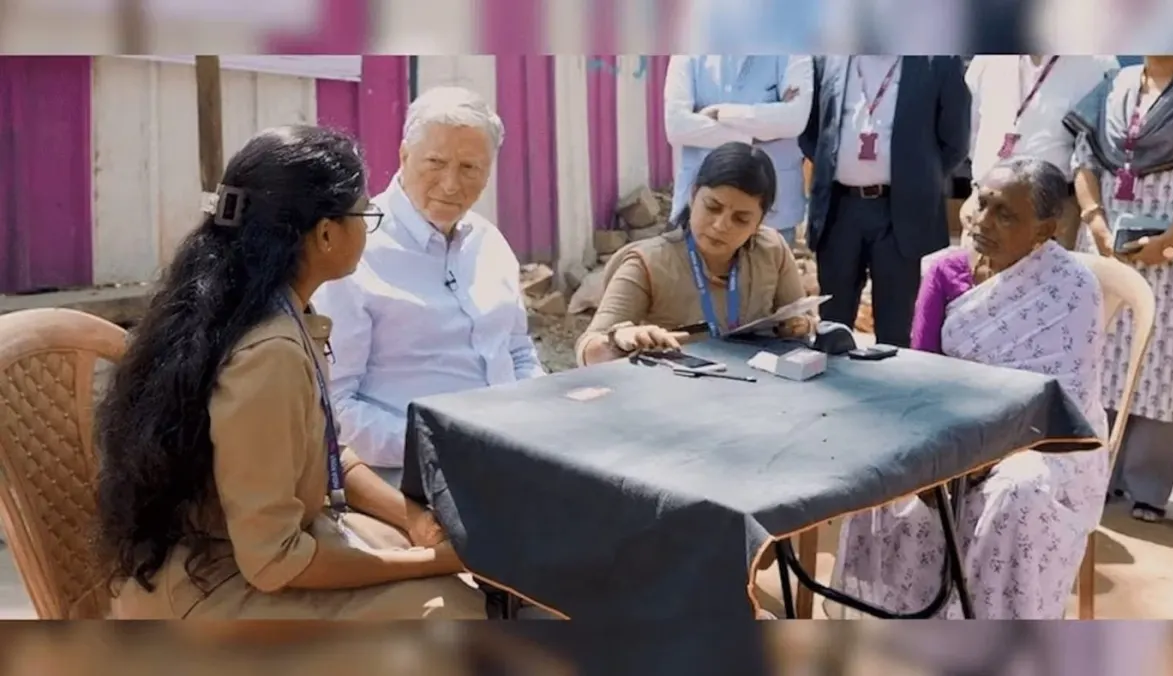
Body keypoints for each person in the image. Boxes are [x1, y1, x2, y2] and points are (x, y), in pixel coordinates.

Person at [94, 125, 486, 619]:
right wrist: (432, 562)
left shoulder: (269, 309)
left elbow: (324, 450)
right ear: (326, 234)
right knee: (455, 609)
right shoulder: (269, 355)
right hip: (213, 589)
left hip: (255, 556)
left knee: (442, 579)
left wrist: (415, 520)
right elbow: (273, 560)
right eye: (364, 214)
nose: (368, 229)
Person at [831, 158, 1109, 619]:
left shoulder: (1073, 287)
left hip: (1043, 441)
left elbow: (1067, 405)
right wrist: (950, 452)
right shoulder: (945, 271)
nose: (982, 221)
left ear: (1045, 231)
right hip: (952, 429)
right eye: (982, 203)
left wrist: (987, 456)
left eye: (1005, 215)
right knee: (880, 465)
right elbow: (922, 373)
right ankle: (894, 621)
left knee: (1017, 494)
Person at [311, 87, 543, 489]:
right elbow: (333, 405)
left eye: (469, 168)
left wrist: (542, 414)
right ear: (404, 156)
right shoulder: (355, 249)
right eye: (435, 163)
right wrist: (442, 446)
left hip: (509, 456)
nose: (451, 185)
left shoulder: (488, 241)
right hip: (409, 475)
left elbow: (519, 351)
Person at [1065, 55, 1173, 523]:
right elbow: (1083, 160)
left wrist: (1172, 238)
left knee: (1162, 363)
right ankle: (1094, 472)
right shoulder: (1114, 86)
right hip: (1106, 243)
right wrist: (1095, 222)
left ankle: (1148, 487)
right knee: (1100, 355)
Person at [576, 142, 816, 365]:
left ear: (759, 222)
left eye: (741, 219)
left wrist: (798, 326)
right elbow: (588, 352)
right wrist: (620, 339)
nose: (720, 226)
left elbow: (799, 322)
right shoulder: (647, 264)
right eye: (712, 207)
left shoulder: (771, 251)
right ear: (692, 196)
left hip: (758, 385)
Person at [799, 56, 971, 347]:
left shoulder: (938, 62)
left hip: (903, 213)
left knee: (896, 329)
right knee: (832, 325)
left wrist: (915, 179)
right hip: (839, 209)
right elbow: (811, 133)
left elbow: (954, 142)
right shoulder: (828, 59)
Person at [963, 55, 1119, 249]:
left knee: (1050, 269)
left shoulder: (1098, 64)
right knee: (975, 268)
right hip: (984, 204)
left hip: (1052, 213)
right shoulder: (987, 58)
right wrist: (976, 189)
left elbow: (1096, 152)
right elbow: (970, 133)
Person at [664, 55, 813, 247]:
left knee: (768, 266)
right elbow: (677, 126)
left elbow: (793, 121)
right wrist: (756, 136)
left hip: (772, 215)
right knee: (689, 266)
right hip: (702, 210)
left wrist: (722, 113)